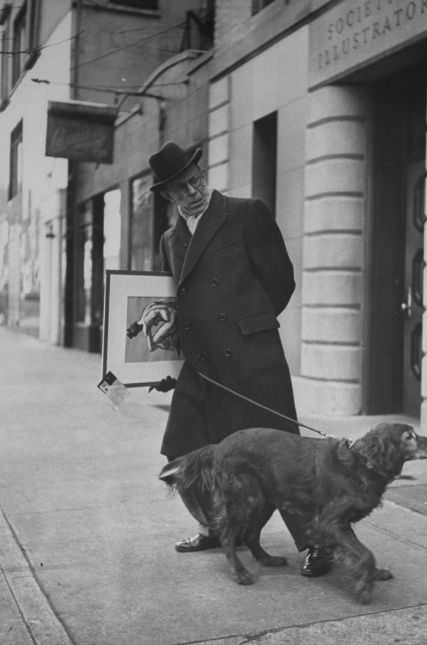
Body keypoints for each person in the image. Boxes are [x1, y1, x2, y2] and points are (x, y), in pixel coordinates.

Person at [148, 141, 332, 578]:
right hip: (201, 366)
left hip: (251, 359)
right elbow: (174, 299)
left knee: (280, 457)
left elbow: (280, 281)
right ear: (168, 195)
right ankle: (217, 526)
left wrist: (249, 328)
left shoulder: (245, 212)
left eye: (195, 180)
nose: (193, 191)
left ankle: (319, 542)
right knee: (184, 451)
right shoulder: (170, 240)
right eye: (181, 188)